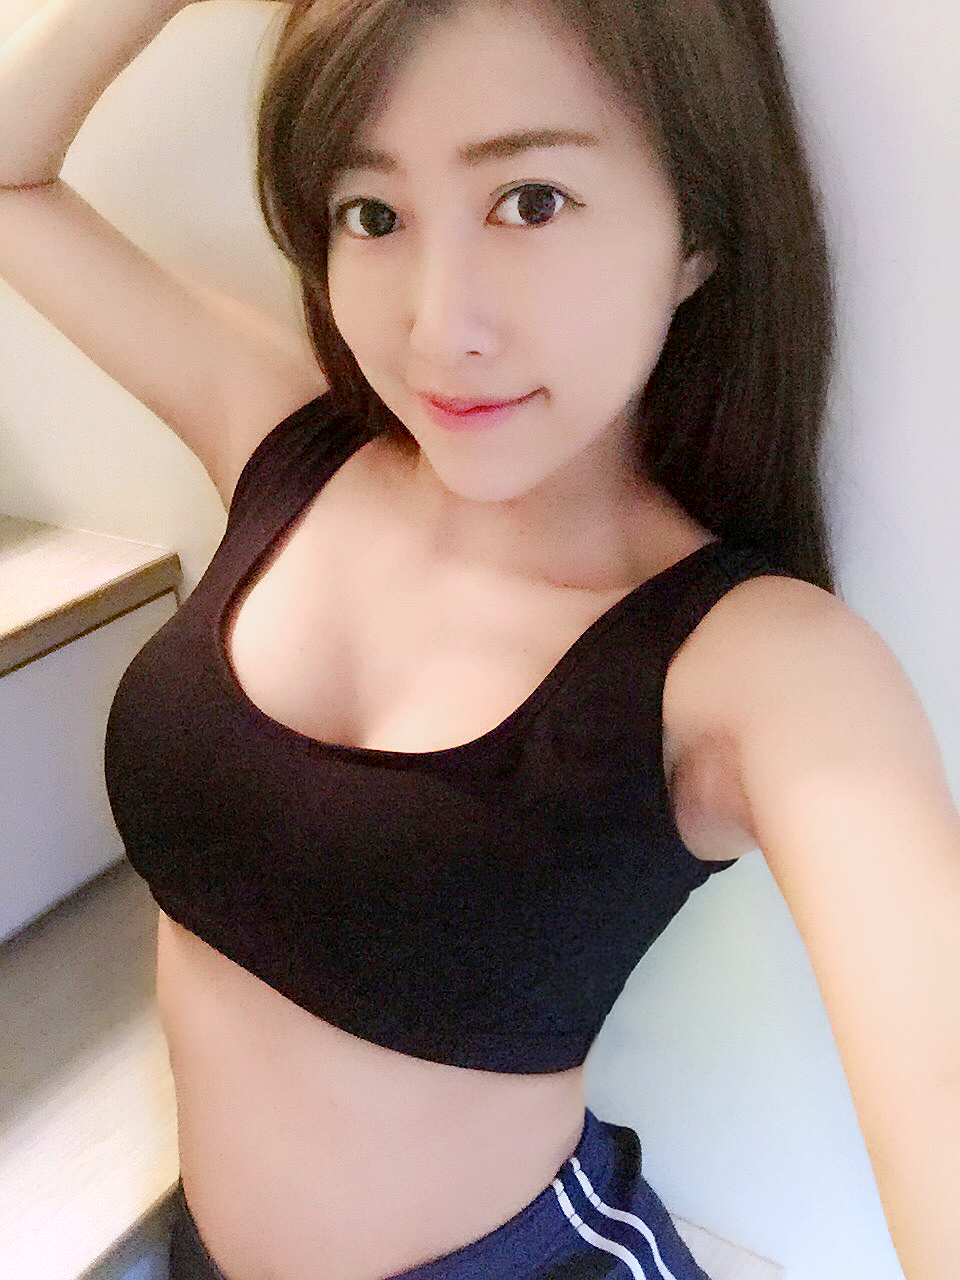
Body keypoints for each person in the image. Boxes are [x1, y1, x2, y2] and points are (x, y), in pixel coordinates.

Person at [1, 0, 958, 1278]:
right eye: (372, 214)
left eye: (531, 201)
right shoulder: (290, 440)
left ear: (699, 232)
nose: (439, 325)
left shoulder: (763, 665)